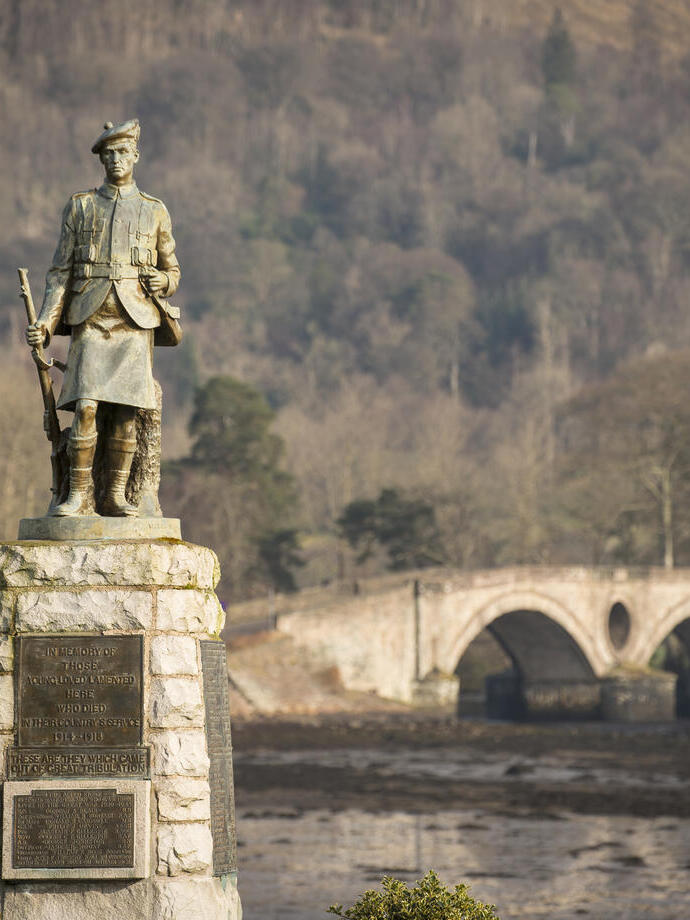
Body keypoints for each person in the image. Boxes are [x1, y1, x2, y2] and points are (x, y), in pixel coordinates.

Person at [25, 119, 180, 517]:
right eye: (108, 153)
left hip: (135, 320)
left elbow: (173, 271)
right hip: (91, 317)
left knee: (126, 411)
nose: (115, 159)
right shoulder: (81, 206)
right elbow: (60, 272)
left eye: (122, 152)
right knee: (87, 405)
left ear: (136, 156)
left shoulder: (154, 210)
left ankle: (114, 494)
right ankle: (78, 495)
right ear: (101, 159)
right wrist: (45, 322)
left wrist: (161, 280)